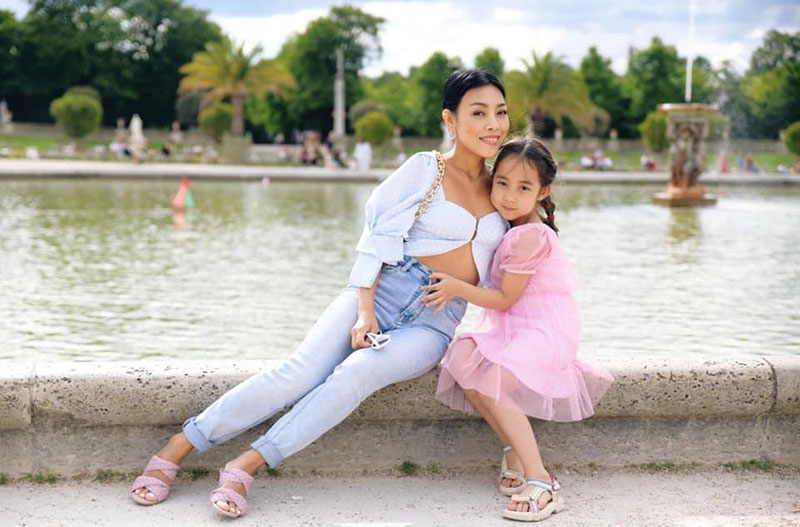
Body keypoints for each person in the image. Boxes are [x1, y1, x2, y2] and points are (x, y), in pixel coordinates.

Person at [130, 69, 512, 519]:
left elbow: (524, 256)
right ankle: (179, 445)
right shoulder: (425, 169)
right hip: (382, 290)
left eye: (501, 113)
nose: (493, 124)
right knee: (298, 373)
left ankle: (246, 464)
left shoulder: (506, 185)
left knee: (357, 374)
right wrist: (364, 310)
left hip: (434, 323)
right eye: (479, 113)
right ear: (450, 119)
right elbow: (376, 235)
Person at [423, 137, 614, 522]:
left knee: (489, 376)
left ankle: (542, 480)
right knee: (461, 358)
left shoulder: (530, 235)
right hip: (514, 326)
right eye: (502, 183)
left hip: (544, 331)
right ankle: (512, 450)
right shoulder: (510, 225)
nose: (509, 196)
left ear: (542, 192)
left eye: (524, 188)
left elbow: (505, 298)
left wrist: (457, 287)